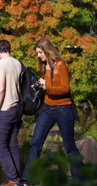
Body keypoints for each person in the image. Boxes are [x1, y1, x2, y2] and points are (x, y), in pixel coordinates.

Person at [21, 38, 85, 186]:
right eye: (37, 53)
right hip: (47, 109)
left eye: (40, 52)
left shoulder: (60, 65)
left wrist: (46, 85)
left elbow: (64, 89)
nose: (38, 56)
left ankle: (80, 181)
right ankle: (27, 180)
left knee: (69, 147)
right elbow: (48, 87)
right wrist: (38, 86)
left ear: (47, 50)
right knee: (35, 143)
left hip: (63, 109)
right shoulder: (44, 67)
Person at [0, 39, 22, 186]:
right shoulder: (17, 63)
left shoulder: (0, 64)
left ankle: (13, 179)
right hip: (17, 108)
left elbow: (1, 88)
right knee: (12, 144)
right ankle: (16, 178)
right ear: (9, 49)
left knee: (0, 146)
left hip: (5, 109)